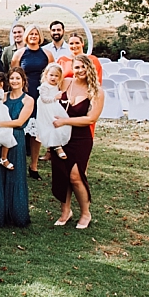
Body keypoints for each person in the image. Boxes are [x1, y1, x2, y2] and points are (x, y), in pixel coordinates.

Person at [52, 55, 103, 229]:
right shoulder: (66, 83)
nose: (80, 70)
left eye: (83, 67)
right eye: (77, 67)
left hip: (81, 137)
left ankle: (85, 213)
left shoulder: (96, 91)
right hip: (60, 136)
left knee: (75, 176)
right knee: (61, 174)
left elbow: (90, 119)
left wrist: (65, 121)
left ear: (90, 68)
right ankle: (65, 211)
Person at [0, 67, 33, 228]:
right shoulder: (1, 96)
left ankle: (15, 214)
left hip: (16, 139)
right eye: (12, 78)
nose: (14, 81)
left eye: (18, 78)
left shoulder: (28, 100)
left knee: (14, 176)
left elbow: (19, 122)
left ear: (23, 81)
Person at [11, 24, 55, 180]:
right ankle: (17, 162)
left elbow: (53, 75)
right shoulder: (19, 54)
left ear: (40, 36)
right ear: (26, 36)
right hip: (24, 95)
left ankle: (34, 165)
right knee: (20, 129)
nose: (34, 36)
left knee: (36, 132)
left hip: (41, 96)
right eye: (31, 34)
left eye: (36, 34)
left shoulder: (47, 54)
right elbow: (13, 76)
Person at [36, 64, 71, 160]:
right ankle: (57, 147)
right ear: (46, 75)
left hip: (54, 106)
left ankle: (58, 144)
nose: (53, 78)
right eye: (51, 75)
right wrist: (55, 98)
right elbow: (44, 99)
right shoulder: (44, 86)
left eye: (56, 76)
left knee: (63, 121)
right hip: (45, 107)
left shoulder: (56, 85)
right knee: (51, 124)